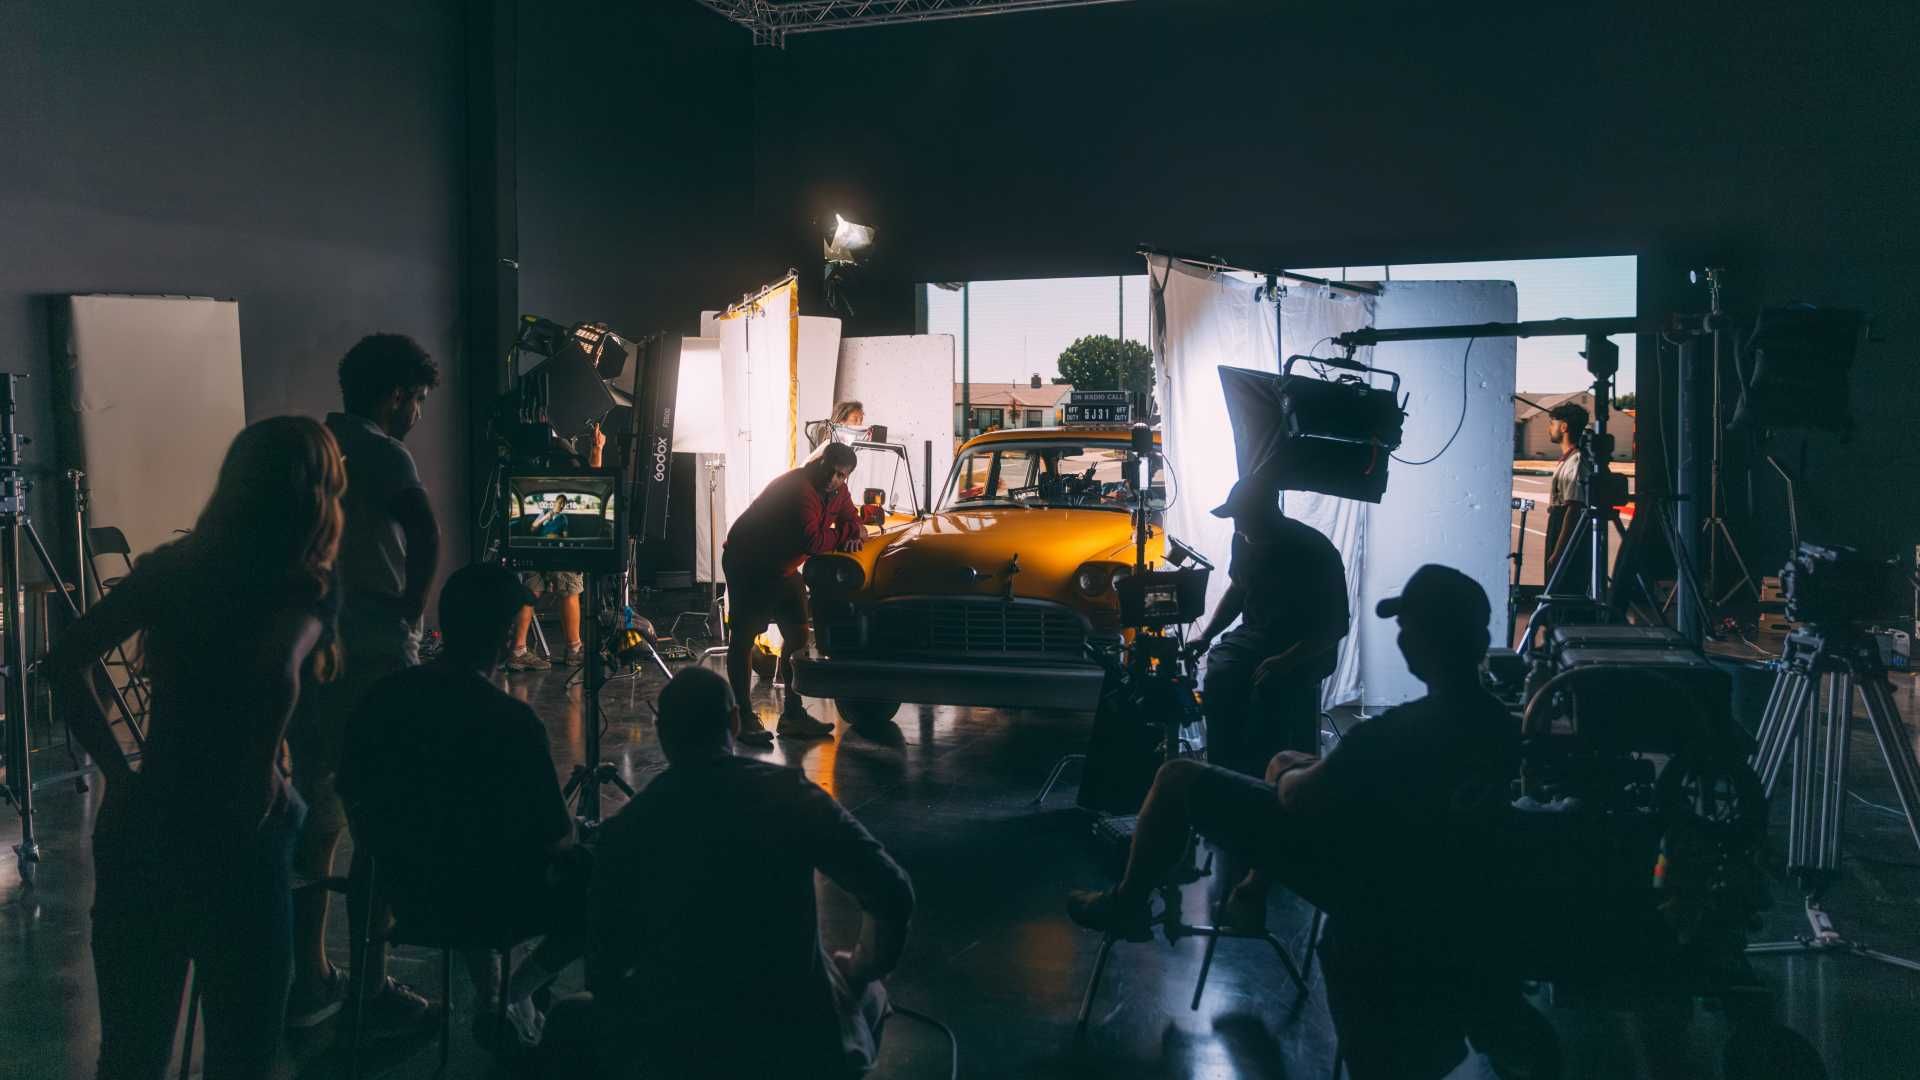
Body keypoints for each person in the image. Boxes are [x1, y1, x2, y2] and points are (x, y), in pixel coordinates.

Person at [1067, 565, 1545, 1079]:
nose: (1400, 636)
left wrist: (1286, 770)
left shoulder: (1391, 735)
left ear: (1424, 641)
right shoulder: (1502, 728)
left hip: (1364, 880)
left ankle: (1127, 903)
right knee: (1292, 771)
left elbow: (1302, 800)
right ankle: (1250, 892)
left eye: (1406, 626)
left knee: (1181, 775)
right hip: (1429, 880)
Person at [47, 417, 347, 1079]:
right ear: (317, 495)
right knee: (242, 1054)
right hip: (240, 835)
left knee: (131, 1055)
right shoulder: (302, 585)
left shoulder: (173, 568)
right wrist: (261, 765)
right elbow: (277, 670)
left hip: (146, 818)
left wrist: (119, 776)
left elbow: (65, 662)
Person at [586, 667, 914, 1078]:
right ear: (735, 722)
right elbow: (892, 890)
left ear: (662, 731)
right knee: (870, 992)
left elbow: (604, 970)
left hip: (681, 1050)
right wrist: (862, 966)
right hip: (794, 1041)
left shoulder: (624, 830)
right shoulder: (789, 795)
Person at [339, 563, 588, 1054]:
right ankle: (510, 996)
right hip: (493, 902)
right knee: (600, 873)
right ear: (501, 639)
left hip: (408, 895)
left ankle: (500, 996)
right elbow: (557, 836)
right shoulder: (513, 723)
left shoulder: (382, 699)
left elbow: (352, 792)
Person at [286, 332, 441, 1031]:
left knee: (314, 816)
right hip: (374, 645)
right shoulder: (385, 451)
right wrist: (410, 613)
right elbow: (426, 531)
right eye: (417, 401)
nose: (418, 415)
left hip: (311, 642)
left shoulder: (312, 444)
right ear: (395, 396)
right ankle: (370, 984)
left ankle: (311, 973)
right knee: (381, 818)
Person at [1190, 481, 1350, 776]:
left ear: (1268, 513)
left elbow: (1335, 625)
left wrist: (1286, 661)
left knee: (1268, 692)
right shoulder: (1243, 539)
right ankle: (1222, 774)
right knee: (1221, 674)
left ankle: (1270, 780)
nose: (1237, 526)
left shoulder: (1314, 550)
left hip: (1308, 644)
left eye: (1242, 516)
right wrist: (1206, 635)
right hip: (1258, 636)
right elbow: (1238, 589)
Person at [720, 441, 864, 743]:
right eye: (831, 471)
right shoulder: (799, 489)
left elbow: (854, 519)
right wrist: (845, 534)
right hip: (749, 563)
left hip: (783, 568)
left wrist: (853, 530)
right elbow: (812, 542)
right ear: (819, 462)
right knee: (744, 638)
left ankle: (793, 716)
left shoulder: (838, 491)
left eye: (841, 476)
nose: (834, 480)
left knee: (798, 635)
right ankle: (742, 717)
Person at [507, 424, 606, 672]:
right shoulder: (564, 456)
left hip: (531, 541)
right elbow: (591, 479)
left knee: (530, 590)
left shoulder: (529, 460)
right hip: (562, 546)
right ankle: (574, 649)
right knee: (570, 589)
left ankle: (517, 650)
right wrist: (597, 449)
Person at [1541, 401, 1588, 581]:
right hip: (1557, 523)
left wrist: (1559, 552)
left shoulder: (1575, 462)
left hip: (1563, 528)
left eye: (1552, 423)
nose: (1549, 428)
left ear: (1564, 427)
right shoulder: (1567, 460)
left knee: (1562, 587)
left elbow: (1573, 510)